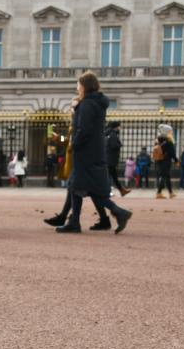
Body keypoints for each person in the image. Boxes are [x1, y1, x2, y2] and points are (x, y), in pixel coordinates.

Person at [55, 71, 132, 234]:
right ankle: (78, 220)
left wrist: (72, 142)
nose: (77, 88)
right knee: (81, 186)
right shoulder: (95, 103)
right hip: (93, 150)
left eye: (78, 84)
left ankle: (116, 212)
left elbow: (83, 130)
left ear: (84, 86)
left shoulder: (87, 104)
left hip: (85, 151)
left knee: (78, 185)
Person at [104, 121, 130, 196]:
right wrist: (120, 144)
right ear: (116, 127)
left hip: (108, 159)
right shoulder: (113, 135)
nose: (120, 128)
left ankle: (122, 190)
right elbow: (114, 145)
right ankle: (108, 191)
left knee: (113, 176)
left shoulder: (108, 134)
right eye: (119, 126)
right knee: (108, 176)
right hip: (111, 159)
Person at [154, 125, 178, 199]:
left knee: (167, 176)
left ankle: (170, 192)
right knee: (164, 176)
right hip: (166, 161)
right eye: (170, 131)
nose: (171, 133)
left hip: (159, 160)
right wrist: (176, 160)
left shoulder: (157, 140)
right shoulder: (168, 141)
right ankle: (159, 192)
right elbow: (172, 152)